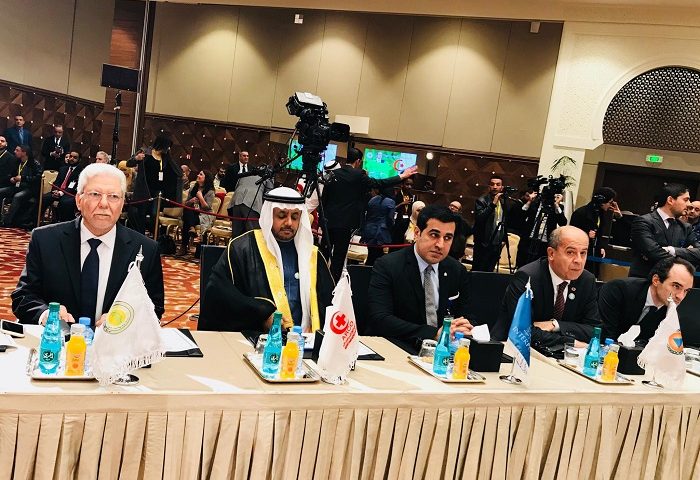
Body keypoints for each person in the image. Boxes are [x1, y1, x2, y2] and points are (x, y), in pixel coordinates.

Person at [12, 163, 164, 326]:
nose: (104, 204)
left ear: (122, 204)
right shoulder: (45, 240)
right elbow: (24, 296)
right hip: (58, 338)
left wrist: (124, 320)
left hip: (113, 341)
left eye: (113, 196)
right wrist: (45, 313)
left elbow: (154, 308)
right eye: (95, 194)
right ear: (78, 200)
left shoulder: (146, 249)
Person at [201, 186, 334, 333]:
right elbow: (220, 295)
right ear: (269, 215)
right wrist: (261, 314)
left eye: (295, 217)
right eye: (282, 216)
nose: (289, 223)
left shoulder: (313, 255)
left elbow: (329, 303)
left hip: (307, 341)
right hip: (259, 338)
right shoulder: (243, 248)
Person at [367, 205, 474, 353]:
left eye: (447, 238)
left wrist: (463, 326)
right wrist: (433, 334)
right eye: (434, 235)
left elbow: (467, 314)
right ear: (417, 233)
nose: (440, 245)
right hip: (397, 347)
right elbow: (380, 319)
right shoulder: (388, 265)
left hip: (444, 353)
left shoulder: (456, 270)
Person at [492, 226, 601, 349]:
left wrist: (555, 325)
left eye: (583, 253)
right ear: (551, 254)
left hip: (558, 354)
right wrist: (570, 342)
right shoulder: (527, 278)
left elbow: (595, 330)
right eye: (570, 252)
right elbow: (523, 331)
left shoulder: (586, 280)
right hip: (512, 349)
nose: (579, 260)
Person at [321, 147, 416, 282]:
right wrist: (401, 176)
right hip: (345, 223)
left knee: (323, 254)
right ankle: (331, 284)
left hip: (328, 221)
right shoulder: (359, 175)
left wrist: (322, 219)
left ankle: (319, 280)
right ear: (358, 161)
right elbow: (379, 183)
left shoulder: (334, 174)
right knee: (338, 257)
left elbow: (324, 199)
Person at [599, 257, 695, 344]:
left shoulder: (676, 310)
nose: (680, 296)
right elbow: (605, 335)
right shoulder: (618, 290)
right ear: (656, 280)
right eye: (676, 286)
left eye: (686, 291)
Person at [629, 183, 700, 278]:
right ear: (670, 200)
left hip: (672, 281)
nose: (689, 204)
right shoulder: (643, 221)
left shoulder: (685, 227)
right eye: (686, 200)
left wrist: (673, 250)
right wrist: (685, 257)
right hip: (644, 280)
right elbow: (652, 252)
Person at [126, 135, 182, 235]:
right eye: (167, 146)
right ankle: (141, 236)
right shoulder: (145, 152)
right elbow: (129, 163)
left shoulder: (166, 157)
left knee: (154, 214)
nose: (168, 149)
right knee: (141, 214)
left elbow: (175, 171)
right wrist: (136, 158)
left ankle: (155, 237)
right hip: (144, 190)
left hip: (158, 192)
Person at [472, 175, 518, 271]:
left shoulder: (504, 202)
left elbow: (506, 220)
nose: (495, 187)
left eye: (498, 184)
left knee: (490, 271)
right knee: (478, 271)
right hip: (483, 243)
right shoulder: (481, 200)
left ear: (502, 187)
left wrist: (503, 239)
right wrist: (493, 204)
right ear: (489, 186)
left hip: (496, 244)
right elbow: (480, 218)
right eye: (492, 184)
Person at [222, 151, 271, 237]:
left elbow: (237, 187)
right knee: (251, 234)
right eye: (244, 156)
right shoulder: (267, 178)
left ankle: (234, 246)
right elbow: (269, 194)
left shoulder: (246, 174)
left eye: (247, 156)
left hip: (236, 202)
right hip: (252, 204)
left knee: (236, 234)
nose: (246, 158)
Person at [516, 189, 567, 268]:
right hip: (529, 239)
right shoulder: (534, 204)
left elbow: (563, 223)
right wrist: (529, 201)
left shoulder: (557, 207)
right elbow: (520, 216)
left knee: (539, 267)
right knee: (523, 264)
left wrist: (556, 205)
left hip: (544, 242)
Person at [570, 187, 622, 258]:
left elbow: (600, 232)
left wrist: (601, 247)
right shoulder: (580, 213)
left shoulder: (601, 213)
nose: (610, 205)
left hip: (594, 252)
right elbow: (572, 234)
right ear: (602, 201)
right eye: (610, 202)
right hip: (580, 253)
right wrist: (586, 235)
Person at [2, 145, 42, 229]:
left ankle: (8, 222)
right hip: (17, 186)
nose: (14, 152)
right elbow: (11, 174)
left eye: (17, 150)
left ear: (24, 153)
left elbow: (38, 178)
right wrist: (11, 178)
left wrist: (23, 178)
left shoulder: (34, 163)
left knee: (17, 196)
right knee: (1, 191)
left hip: (29, 188)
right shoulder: (17, 162)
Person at [180, 170, 216, 256]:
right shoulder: (193, 188)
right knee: (187, 210)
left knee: (187, 221)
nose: (198, 175)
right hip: (192, 214)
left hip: (203, 215)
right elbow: (186, 204)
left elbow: (207, 208)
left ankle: (183, 246)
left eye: (201, 174)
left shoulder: (210, 191)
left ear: (206, 178)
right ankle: (191, 228)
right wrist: (191, 201)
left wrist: (200, 197)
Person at [41, 150, 82, 222]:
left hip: (70, 194)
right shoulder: (63, 169)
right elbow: (57, 182)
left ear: (79, 160)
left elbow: (72, 187)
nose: (71, 159)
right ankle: (37, 220)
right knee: (44, 198)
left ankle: (60, 222)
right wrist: (55, 190)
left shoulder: (81, 172)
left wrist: (60, 193)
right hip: (58, 191)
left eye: (75, 157)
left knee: (64, 203)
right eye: (71, 156)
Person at [360, 186, 396, 266]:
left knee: (371, 254)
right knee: (378, 255)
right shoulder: (391, 202)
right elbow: (390, 218)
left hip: (369, 230)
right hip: (381, 231)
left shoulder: (372, 200)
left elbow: (367, 216)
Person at [0, 136, 18, 205]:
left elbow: (9, 175)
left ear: (6, 144)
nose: (0, 142)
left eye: (2, 141)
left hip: (4, 184)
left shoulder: (11, 158)